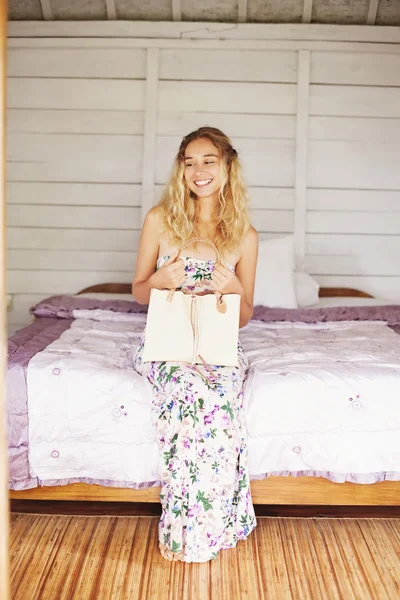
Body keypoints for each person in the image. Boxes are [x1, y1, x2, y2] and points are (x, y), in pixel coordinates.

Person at [132, 126, 258, 563]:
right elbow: (139, 291)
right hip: (167, 345)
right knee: (192, 394)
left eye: (208, 161)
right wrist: (160, 280)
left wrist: (235, 285)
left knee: (221, 408)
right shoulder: (159, 219)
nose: (198, 170)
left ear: (227, 167)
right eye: (189, 162)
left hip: (218, 347)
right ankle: (186, 534)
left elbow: (244, 316)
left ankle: (209, 528)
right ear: (181, 169)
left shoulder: (244, 235)